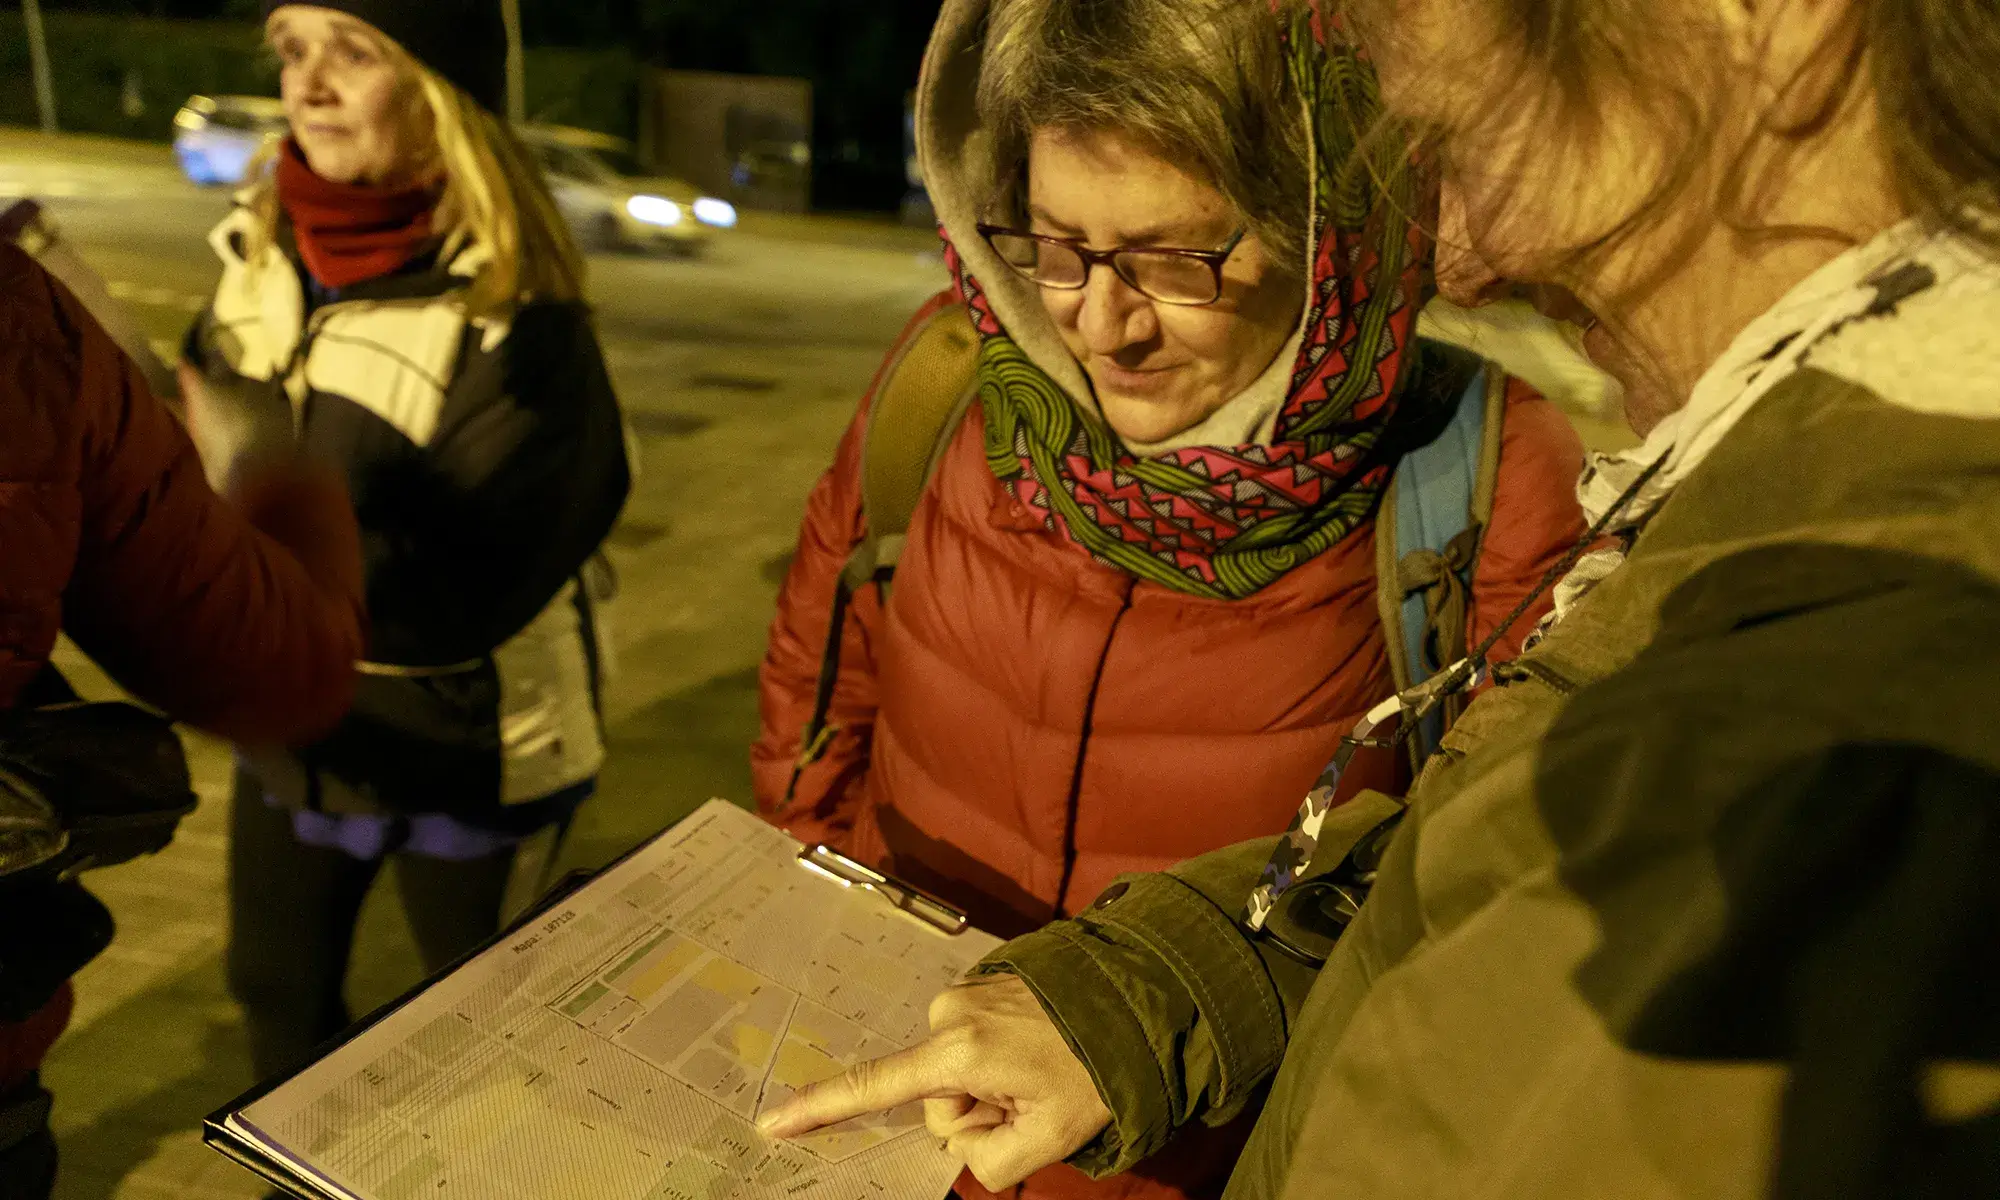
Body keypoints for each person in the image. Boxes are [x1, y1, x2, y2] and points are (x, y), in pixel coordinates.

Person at [760, 0, 2000, 1196]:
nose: (1099, 319)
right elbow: (818, 717)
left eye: (1173, 260)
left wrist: (1157, 1044)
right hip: (900, 1115)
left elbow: (1444, 896)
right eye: (1051, 245)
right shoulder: (942, 394)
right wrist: (820, 976)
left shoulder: (1485, 474)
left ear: (1323, 238)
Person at [185, 1, 630, 1086]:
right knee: (278, 999)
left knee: (487, 1057)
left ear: (440, 92)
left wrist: (233, 525)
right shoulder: (257, 253)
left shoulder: (522, 321)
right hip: (302, 730)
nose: (309, 83)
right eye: (293, 49)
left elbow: (455, 596)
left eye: (355, 51)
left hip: (471, 750)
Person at [0, 240, 366, 1192]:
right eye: (290, 73)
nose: (311, 85)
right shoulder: (21, 320)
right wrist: (270, 474)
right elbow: (273, 658)